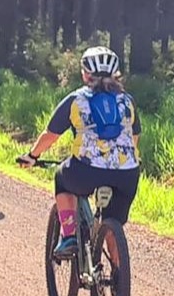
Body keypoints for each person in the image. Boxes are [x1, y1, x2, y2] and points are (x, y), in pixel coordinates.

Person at [17, 45, 141, 259]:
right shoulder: (127, 101)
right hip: (127, 173)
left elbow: (51, 135)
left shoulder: (77, 99)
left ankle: (69, 238)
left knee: (62, 179)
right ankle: (119, 283)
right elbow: (134, 137)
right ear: (115, 73)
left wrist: (32, 156)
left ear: (85, 74)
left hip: (86, 171)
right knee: (113, 224)